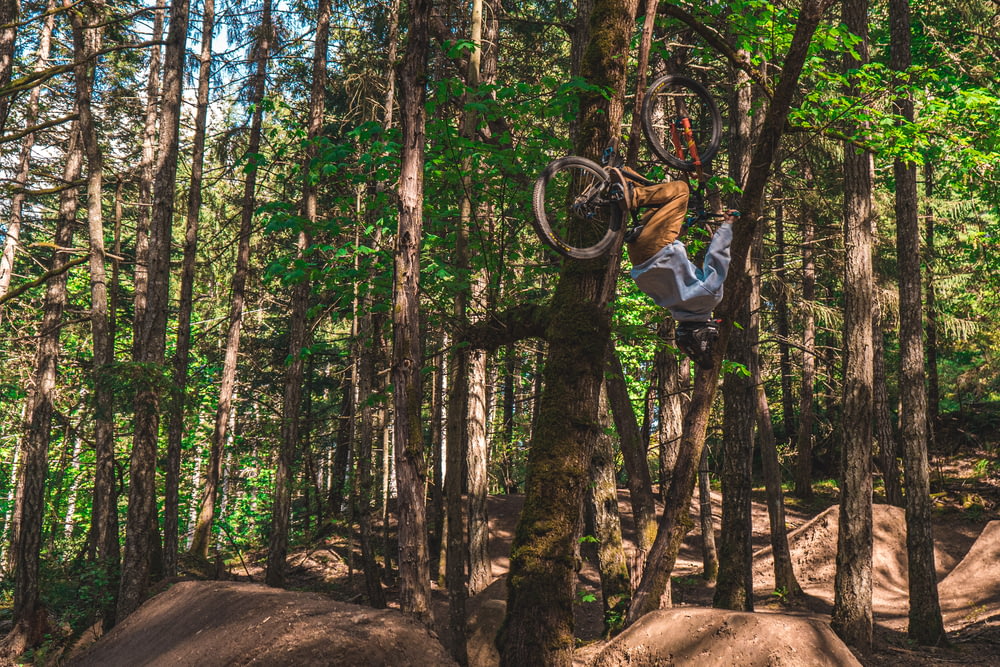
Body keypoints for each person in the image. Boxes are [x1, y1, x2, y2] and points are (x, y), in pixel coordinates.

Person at [608, 169, 737, 369]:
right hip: (637, 253)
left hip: (656, 246)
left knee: (680, 190)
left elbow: (717, 256)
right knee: (658, 200)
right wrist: (677, 237)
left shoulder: (710, 297)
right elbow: (667, 271)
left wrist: (727, 225)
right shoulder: (671, 304)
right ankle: (618, 176)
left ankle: (631, 195)